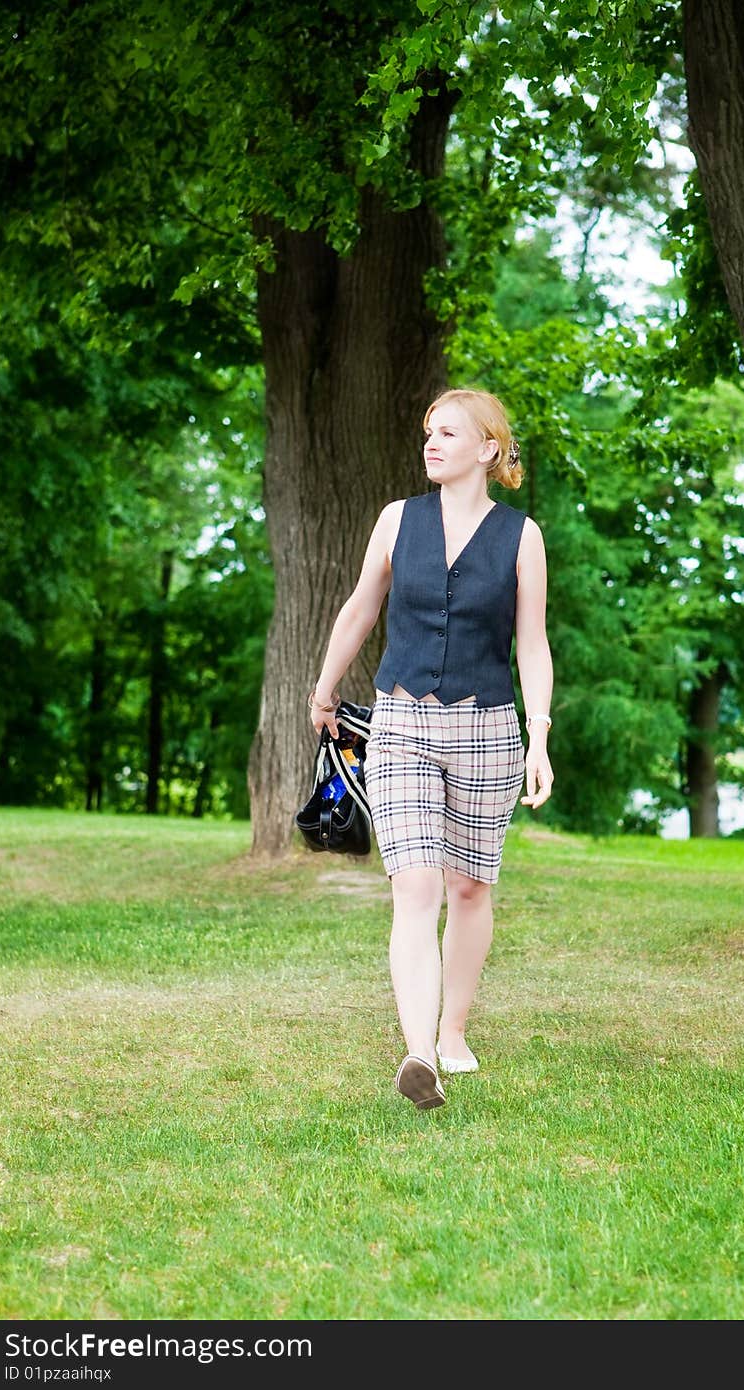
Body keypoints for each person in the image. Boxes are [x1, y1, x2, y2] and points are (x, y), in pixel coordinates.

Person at [309, 388, 553, 1110]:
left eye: (448, 433)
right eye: (427, 432)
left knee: (469, 888)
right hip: (402, 723)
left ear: (487, 449)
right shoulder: (397, 521)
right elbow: (361, 607)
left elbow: (532, 643)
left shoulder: (521, 537)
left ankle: (453, 1029)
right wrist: (325, 691)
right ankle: (419, 1054)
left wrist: (538, 733)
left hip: (487, 729)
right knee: (413, 887)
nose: (431, 442)